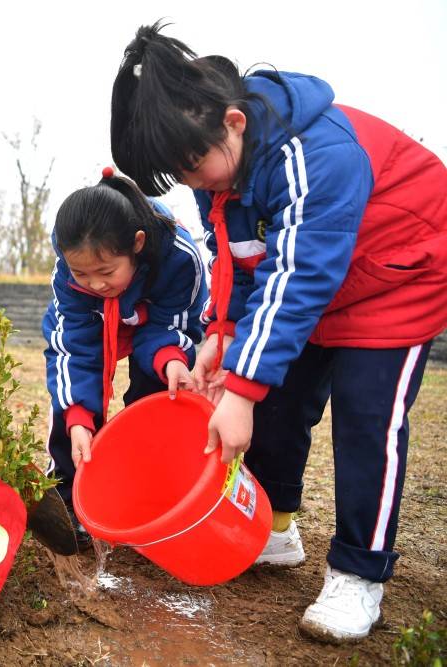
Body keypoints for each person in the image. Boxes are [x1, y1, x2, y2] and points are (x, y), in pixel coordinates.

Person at [109, 22, 447, 642]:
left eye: (191, 166)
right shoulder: (230, 177)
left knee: (366, 418)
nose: (193, 184)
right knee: (280, 404)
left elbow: (298, 276)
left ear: (234, 121)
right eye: (179, 177)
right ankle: (276, 529)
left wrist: (239, 389)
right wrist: (225, 334)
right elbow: (241, 262)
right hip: (322, 288)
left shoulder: (316, 153)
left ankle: (358, 574)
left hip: (398, 276)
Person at [42, 171, 206, 551]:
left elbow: (174, 322)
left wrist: (171, 359)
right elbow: (72, 347)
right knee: (72, 416)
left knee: (153, 402)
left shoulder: (179, 258)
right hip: (97, 323)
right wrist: (79, 418)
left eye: (105, 272)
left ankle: (144, 500)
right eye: (82, 274)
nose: (94, 284)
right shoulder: (69, 273)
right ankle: (68, 498)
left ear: (137, 244)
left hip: (155, 321)